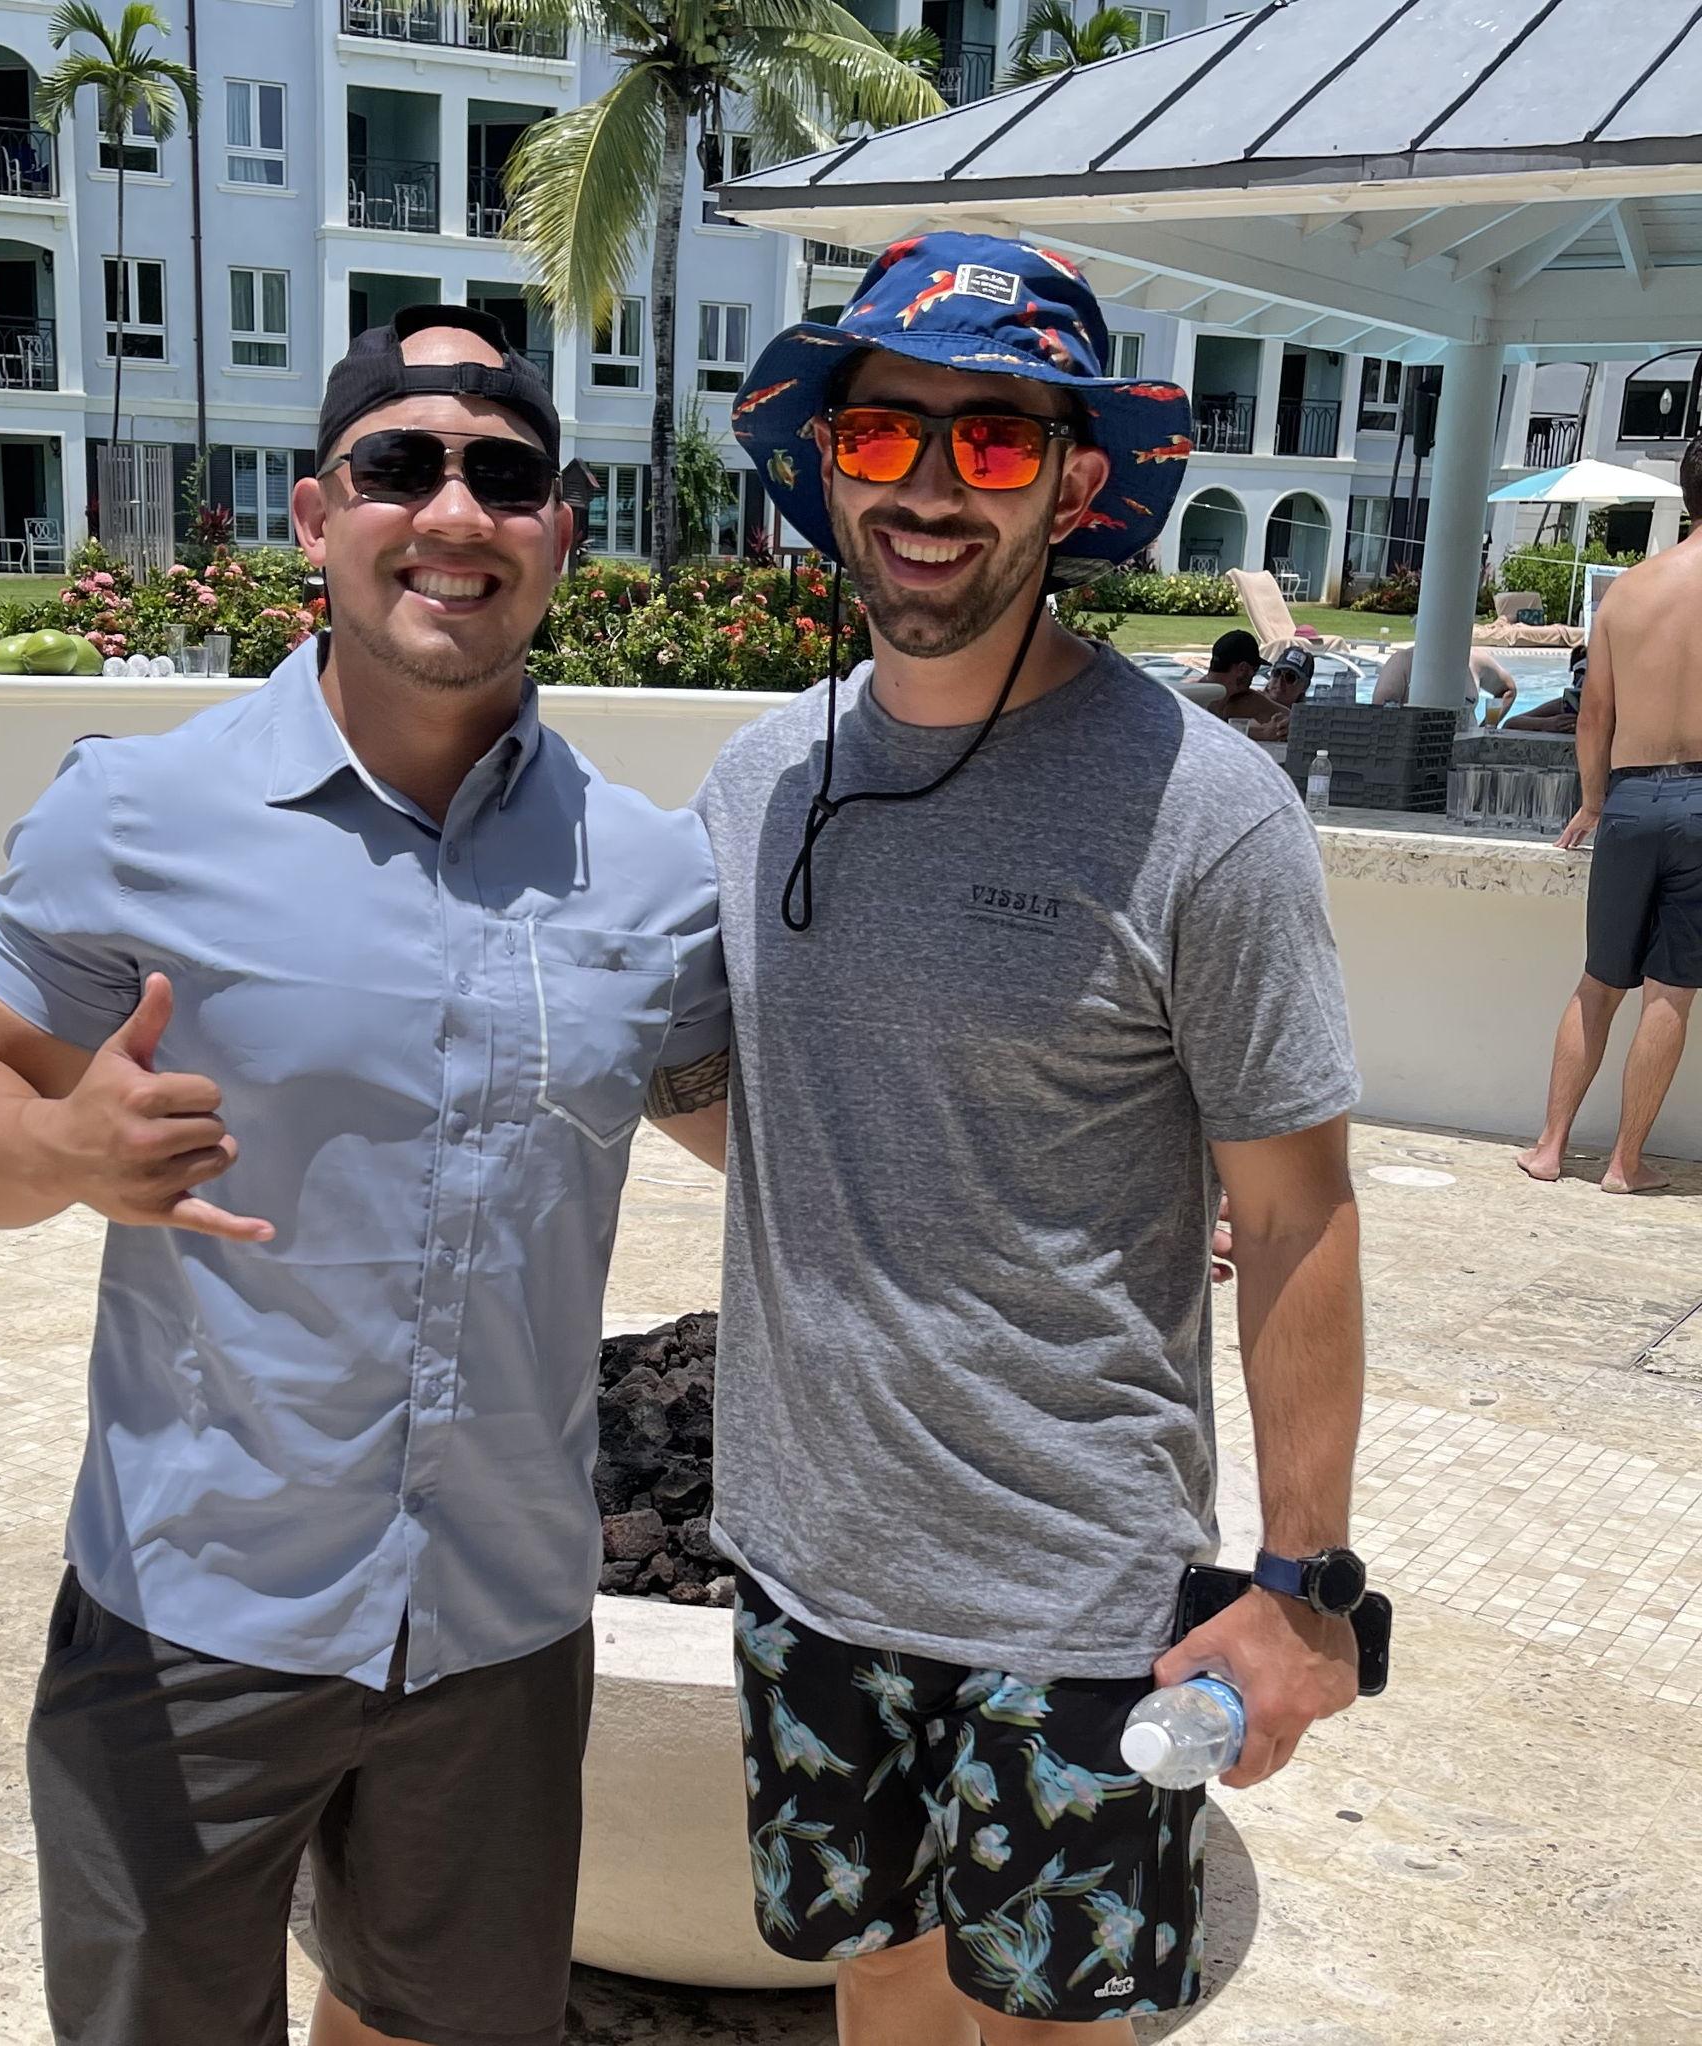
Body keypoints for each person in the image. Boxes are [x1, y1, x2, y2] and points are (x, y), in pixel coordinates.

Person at [0, 305, 733, 2046]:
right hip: (198, 1604)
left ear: (560, 530)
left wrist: (1076, 1186)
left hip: (500, 1620)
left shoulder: (648, 876)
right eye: (398, 465)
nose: (453, 511)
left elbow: (747, 1125)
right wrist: (58, 1147)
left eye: (506, 476)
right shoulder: (142, 812)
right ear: (315, 515)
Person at [687, 234, 1368, 2044]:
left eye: (991, 441)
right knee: (876, 1980)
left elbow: (1297, 1214)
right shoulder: (757, 786)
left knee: (1047, 2026)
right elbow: (731, 1093)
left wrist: (1301, 1585)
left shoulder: (1204, 812)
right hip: (804, 1557)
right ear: (825, 461)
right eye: (883, 433)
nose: (928, 487)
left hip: (1073, 1585)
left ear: (1072, 486)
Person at [1518, 433, 1702, 1195]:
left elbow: (1591, 716)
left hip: (1629, 798)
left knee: (1599, 980)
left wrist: (1594, 800)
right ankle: (1626, 1163)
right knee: (1670, 990)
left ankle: (1549, 1148)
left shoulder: (1628, 591)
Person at [1371, 641, 1519, 722]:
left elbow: (1508, 690)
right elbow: (1379, 718)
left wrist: (1486, 729)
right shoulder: (1402, 663)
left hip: (1466, 756)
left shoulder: (1475, 660)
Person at [1198, 627, 1275, 724]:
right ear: (1243, 669)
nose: (1253, 675)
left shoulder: (1194, 693)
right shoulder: (1198, 702)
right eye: (1255, 668)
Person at [1243, 641, 1315, 743]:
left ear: (1305, 686)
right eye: (1277, 673)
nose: (1280, 682)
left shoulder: (1305, 721)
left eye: (1290, 677)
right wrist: (1262, 733)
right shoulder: (1246, 701)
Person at [1501, 647, 1585, 735]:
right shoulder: (1568, 705)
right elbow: (1509, 725)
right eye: (1580, 674)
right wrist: (1547, 724)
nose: (1581, 681)